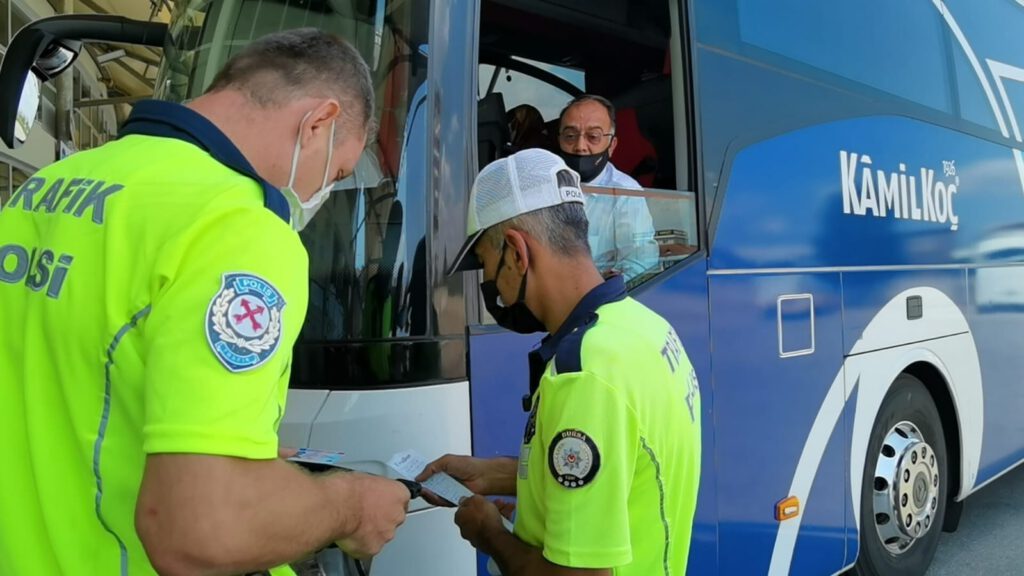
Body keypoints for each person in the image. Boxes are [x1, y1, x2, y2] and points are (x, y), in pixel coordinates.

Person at [0, 29, 410, 576]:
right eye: (336, 175)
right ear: (318, 123)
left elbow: (71, 388)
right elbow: (198, 530)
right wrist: (351, 506)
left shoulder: (49, 185)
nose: (319, 195)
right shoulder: (238, 228)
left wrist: (239, 468)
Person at [419, 148, 702, 576]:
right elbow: (617, 476)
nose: (491, 282)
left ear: (517, 251)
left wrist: (490, 534)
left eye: (485, 265)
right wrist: (490, 474)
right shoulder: (645, 327)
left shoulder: (584, 374)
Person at [556, 94, 659, 282]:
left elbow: (640, 263)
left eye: (593, 136)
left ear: (612, 145)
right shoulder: (544, 185)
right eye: (570, 136)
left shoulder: (625, 193)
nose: (580, 146)